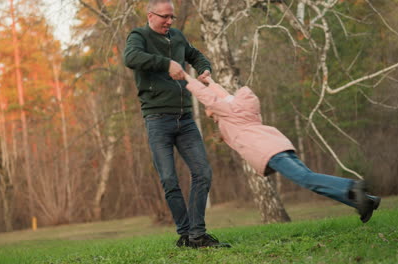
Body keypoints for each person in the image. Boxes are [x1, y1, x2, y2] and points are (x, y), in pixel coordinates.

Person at [184, 73, 381, 223]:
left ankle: (352, 187)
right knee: (310, 180)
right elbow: (222, 96)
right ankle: (366, 201)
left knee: (307, 180)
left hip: (269, 151)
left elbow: (209, 98)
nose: (207, 107)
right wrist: (210, 81)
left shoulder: (229, 112)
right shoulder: (235, 108)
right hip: (277, 145)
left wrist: (185, 77)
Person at [123, 0, 229, 248]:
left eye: (173, 17)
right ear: (151, 16)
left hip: (186, 119)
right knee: (169, 180)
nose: (170, 21)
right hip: (157, 120)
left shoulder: (178, 37)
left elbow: (195, 55)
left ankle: (197, 235)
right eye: (165, 17)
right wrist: (166, 63)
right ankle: (185, 234)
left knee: (203, 173)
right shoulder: (139, 36)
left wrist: (204, 70)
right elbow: (131, 57)